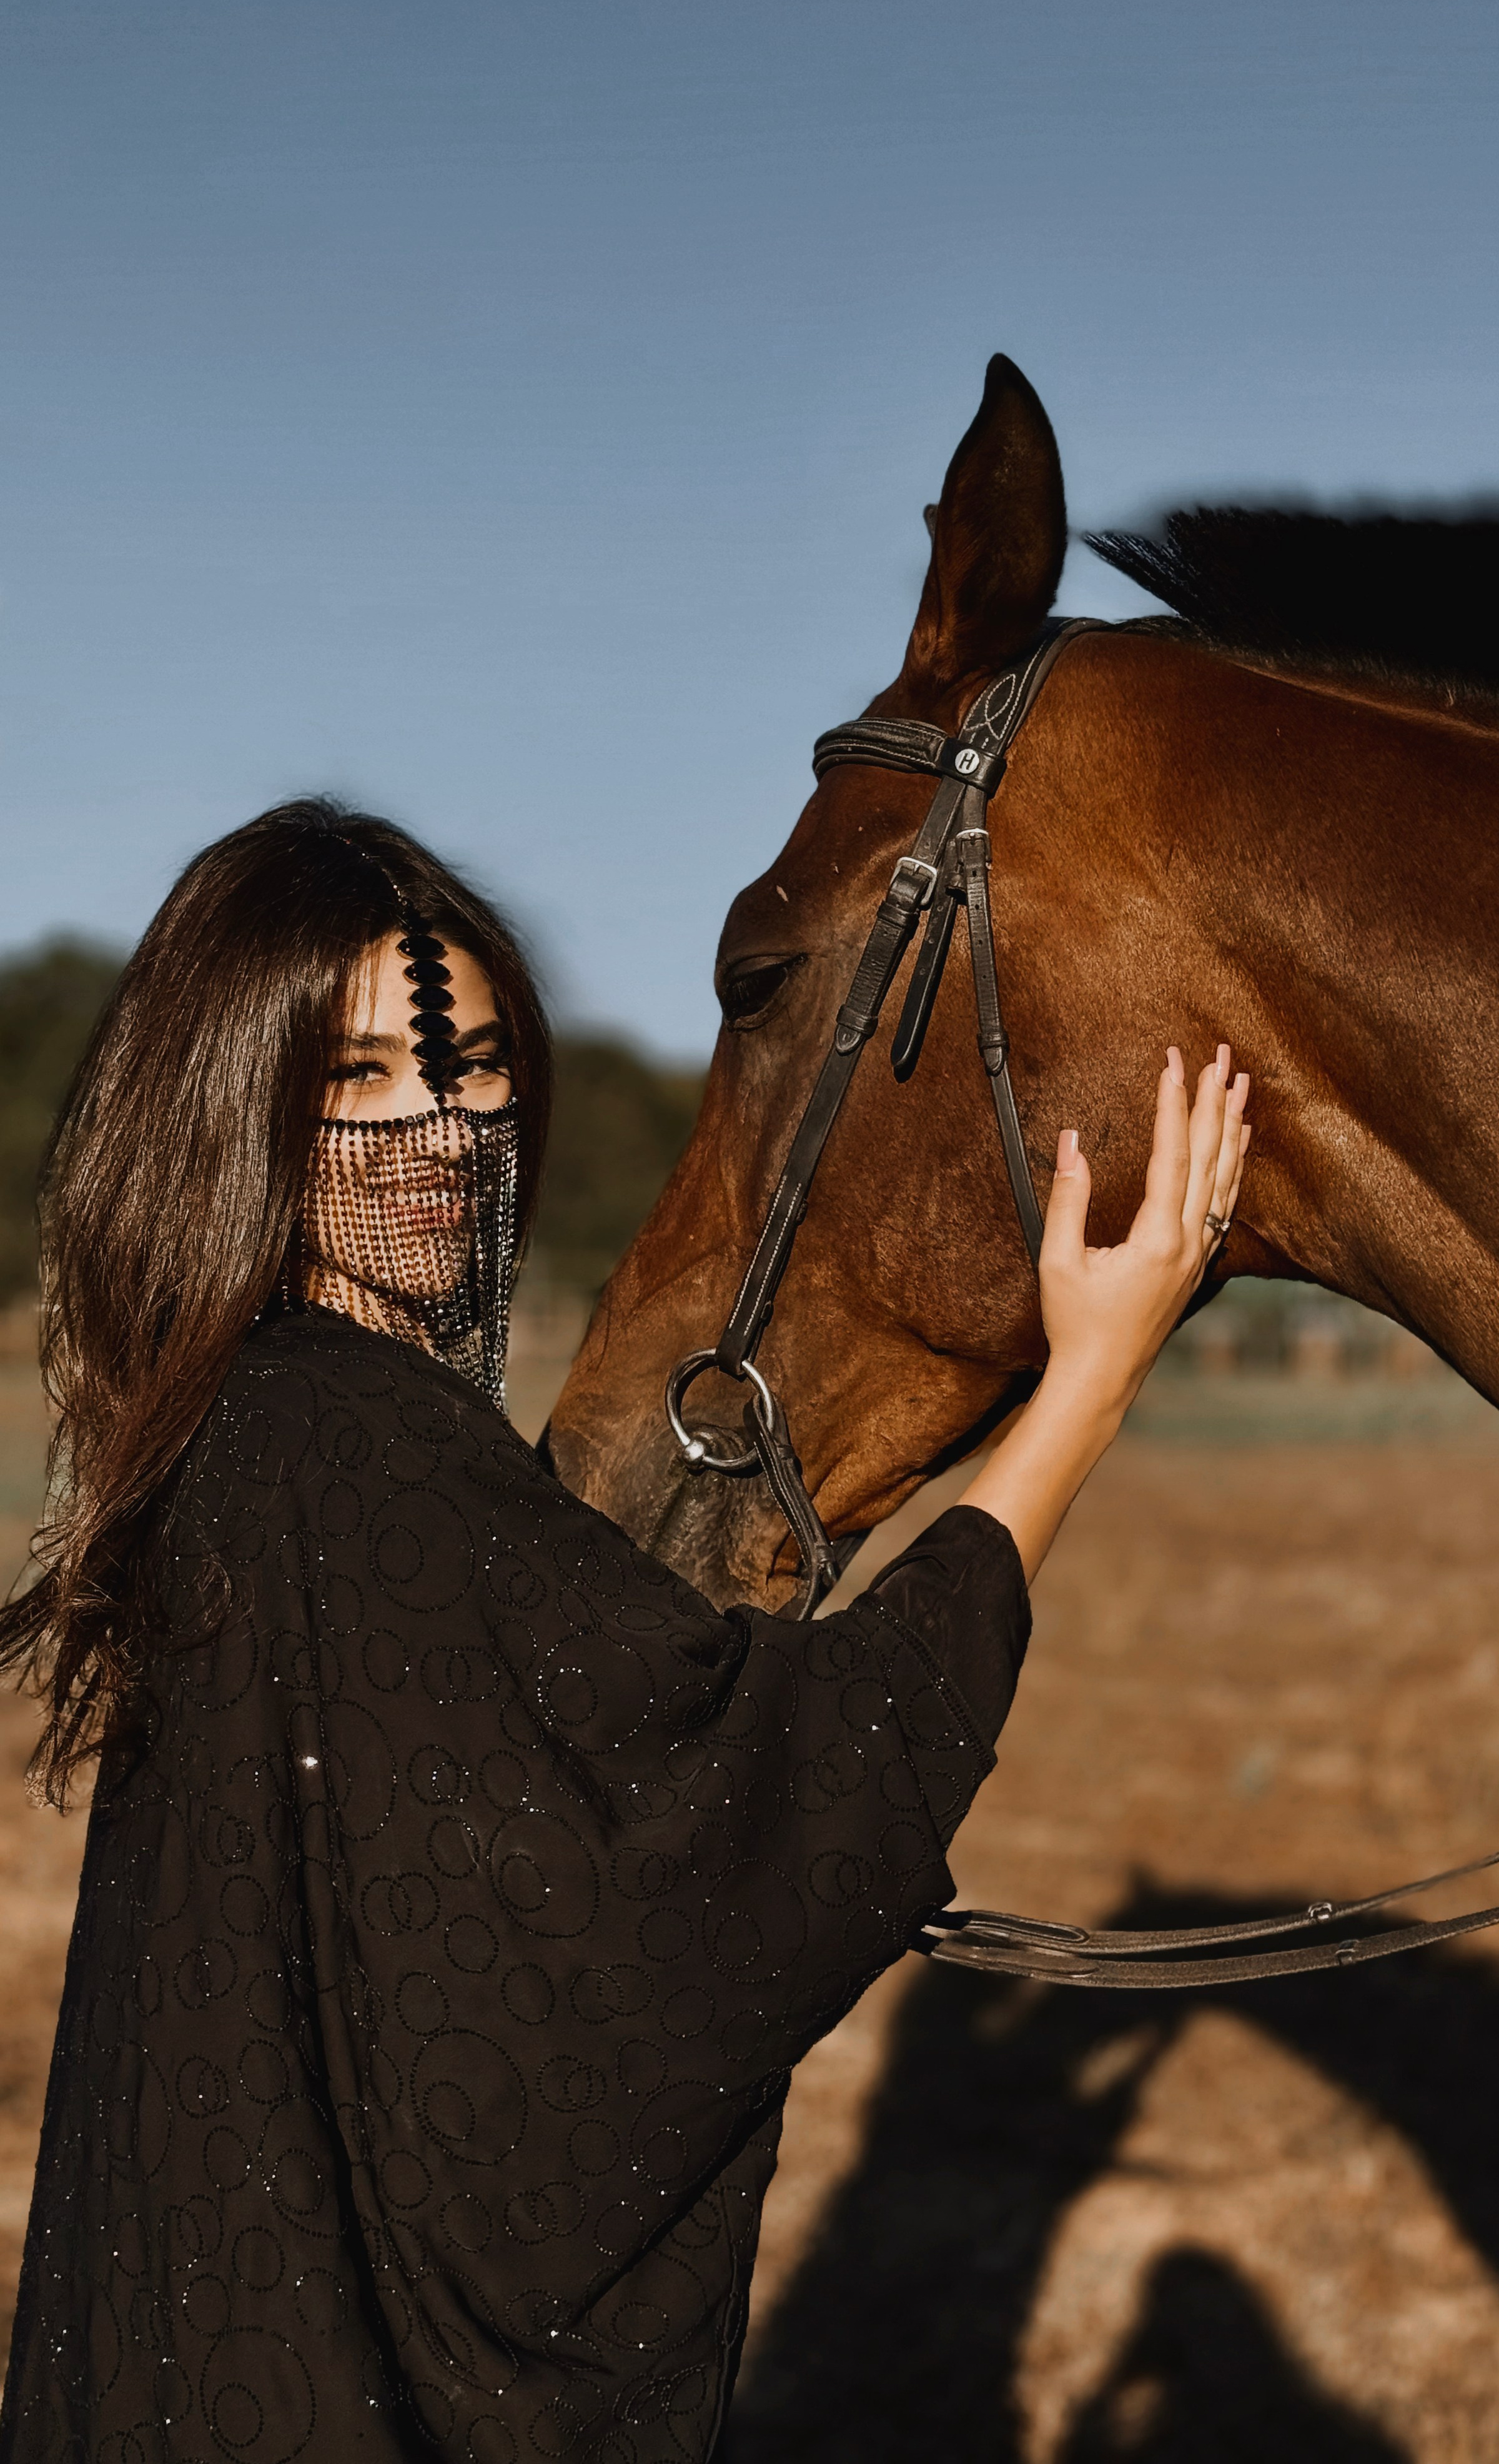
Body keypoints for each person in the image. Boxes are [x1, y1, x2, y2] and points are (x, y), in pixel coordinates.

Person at [0, 800, 1249, 2463]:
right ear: (229, 1097)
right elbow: (729, 1808)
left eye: (477, 1064)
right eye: (359, 1074)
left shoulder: (245, 1422)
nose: (442, 1124)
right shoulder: (347, 1444)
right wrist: (1090, 1376)